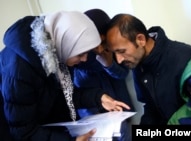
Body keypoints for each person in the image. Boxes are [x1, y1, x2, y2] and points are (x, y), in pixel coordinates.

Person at [0, 11, 130, 141]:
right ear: (66, 43)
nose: (85, 59)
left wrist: (98, 97)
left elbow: (63, 97)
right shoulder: (19, 69)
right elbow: (23, 131)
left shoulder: (59, 53)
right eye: (80, 54)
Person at [105, 13, 191, 125]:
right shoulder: (138, 62)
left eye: (121, 51)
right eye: (114, 53)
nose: (119, 60)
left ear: (141, 40)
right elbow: (150, 107)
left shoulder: (185, 58)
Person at [71, 9, 135, 141]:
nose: (99, 49)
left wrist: (109, 64)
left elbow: (123, 74)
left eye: (103, 42)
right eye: (95, 43)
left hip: (120, 110)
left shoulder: (112, 47)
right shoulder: (78, 55)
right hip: (92, 117)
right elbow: (76, 92)